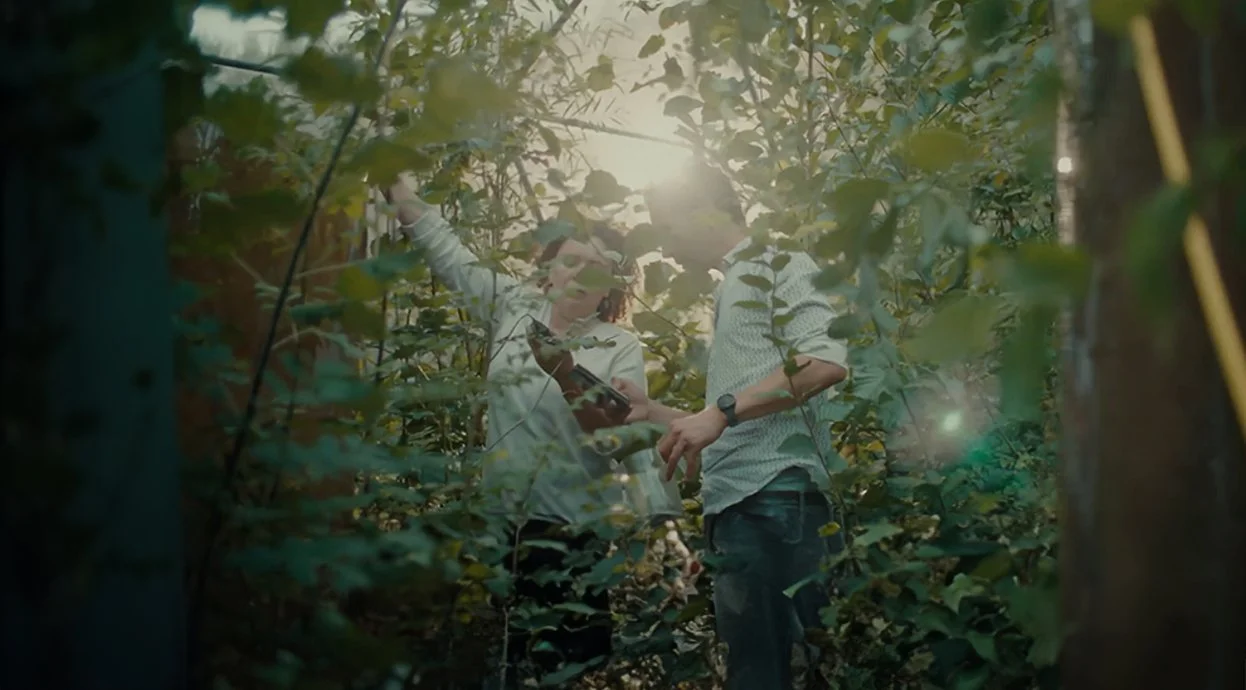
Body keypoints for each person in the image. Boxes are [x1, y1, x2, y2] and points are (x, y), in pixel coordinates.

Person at [383, 180, 643, 687]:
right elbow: (450, 255)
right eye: (570, 260)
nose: (579, 274)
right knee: (498, 661)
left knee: (563, 670)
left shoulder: (619, 345)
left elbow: (616, 438)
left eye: (595, 267)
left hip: (571, 535)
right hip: (499, 524)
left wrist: (566, 375)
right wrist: (398, 186)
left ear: (611, 285)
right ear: (548, 269)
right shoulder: (515, 306)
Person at [613, 164, 850, 690]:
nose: (665, 248)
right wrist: (652, 411)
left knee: (798, 673)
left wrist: (721, 411)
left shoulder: (775, 262)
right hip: (745, 508)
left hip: (776, 503)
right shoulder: (734, 284)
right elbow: (730, 421)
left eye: (667, 228)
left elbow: (824, 360)